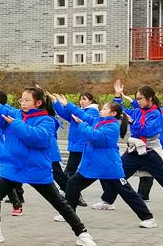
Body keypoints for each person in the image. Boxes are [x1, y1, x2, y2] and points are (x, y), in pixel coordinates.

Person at [0, 84, 95, 246]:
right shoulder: (15, 114)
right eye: (21, 99)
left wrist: (16, 124)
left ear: (38, 103)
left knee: (59, 202)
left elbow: (38, 138)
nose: (22, 103)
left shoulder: (47, 120)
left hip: (36, 169)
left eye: (27, 100)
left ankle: (82, 233)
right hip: (14, 167)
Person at [95, 80, 163, 215]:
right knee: (117, 173)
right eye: (137, 99)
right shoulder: (138, 111)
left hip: (150, 150)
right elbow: (120, 111)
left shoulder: (156, 114)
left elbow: (146, 130)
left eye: (141, 99)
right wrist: (118, 96)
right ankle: (107, 201)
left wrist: (131, 122)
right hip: (135, 149)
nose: (139, 101)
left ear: (150, 98)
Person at [58, 98, 155, 228]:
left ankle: (148, 218)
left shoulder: (113, 126)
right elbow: (83, 115)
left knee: (127, 193)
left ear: (113, 113)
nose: (101, 110)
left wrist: (82, 125)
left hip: (108, 167)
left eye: (104, 109)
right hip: (93, 166)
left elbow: (96, 138)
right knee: (73, 184)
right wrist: (67, 105)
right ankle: (69, 214)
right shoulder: (98, 121)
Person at [54, 93, 98, 180]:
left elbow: (83, 116)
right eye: (81, 99)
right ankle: (68, 188)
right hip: (76, 143)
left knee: (73, 169)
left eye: (84, 99)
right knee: (71, 168)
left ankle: (67, 188)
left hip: (83, 143)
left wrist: (68, 104)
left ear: (91, 101)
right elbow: (63, 113)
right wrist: (55, 102)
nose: (81, 101)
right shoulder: (79, 111)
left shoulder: (93, 111)